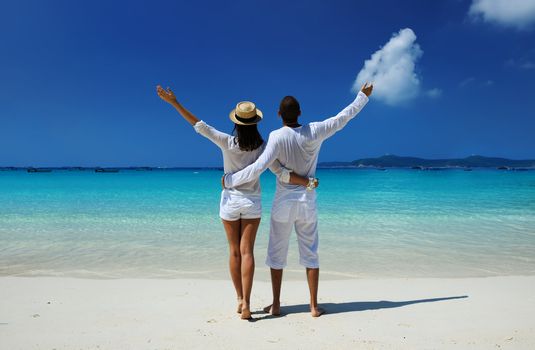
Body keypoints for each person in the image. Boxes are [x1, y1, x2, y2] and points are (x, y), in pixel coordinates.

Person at [156, 85, 315, 319]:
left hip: (230, 202)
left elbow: (199, 126)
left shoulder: (226, 142)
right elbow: (280, 172)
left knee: (234, 252)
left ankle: (240, 299)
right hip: (252, 203)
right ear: (256, 122)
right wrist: (307, 181)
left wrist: (175, 103)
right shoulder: (263, 148)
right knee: (247, 252)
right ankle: (248, 304)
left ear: (236, 122)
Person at [223, 82, 374, 317]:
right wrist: (362, 97)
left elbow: (259, 167)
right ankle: (313, 306)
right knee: (310, 252)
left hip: (283, 202)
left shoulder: (275, 137)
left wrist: (229, 181)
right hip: (307, 202)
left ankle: (275, 304)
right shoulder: (315, 131)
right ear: (300, 113)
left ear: (279, 115)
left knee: (276, 253)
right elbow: (343, 118)